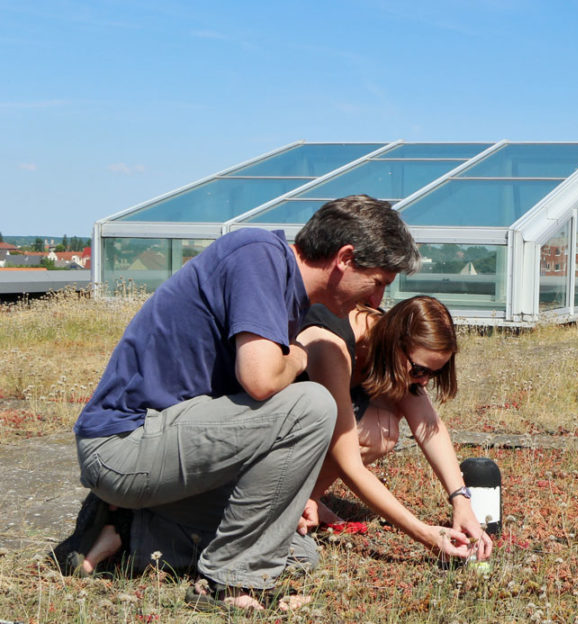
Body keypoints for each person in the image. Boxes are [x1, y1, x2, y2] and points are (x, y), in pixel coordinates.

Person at [54, 195, 420, 613]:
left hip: (170, 451)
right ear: (345, 258)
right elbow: (261, 380)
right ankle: (229, 584)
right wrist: (302, 352)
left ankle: (124, 530)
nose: (376, 301)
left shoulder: (289, 296)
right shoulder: (258, 256)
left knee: (297, 551)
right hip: (125, 444)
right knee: (313, 404)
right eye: (379, 282)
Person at [297, 295, 493, 563]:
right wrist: (426, 536)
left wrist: (461, 501)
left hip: (304, 433)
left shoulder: (390, 344)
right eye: (419, 370)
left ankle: (308, 498)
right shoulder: (334, 345)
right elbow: (350, 465)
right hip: (268, 445)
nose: (423, 381)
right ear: (396, 343)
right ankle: (293, 502)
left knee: (383, 428)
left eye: (433, 373)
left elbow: (428, 425)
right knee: (370, 433)